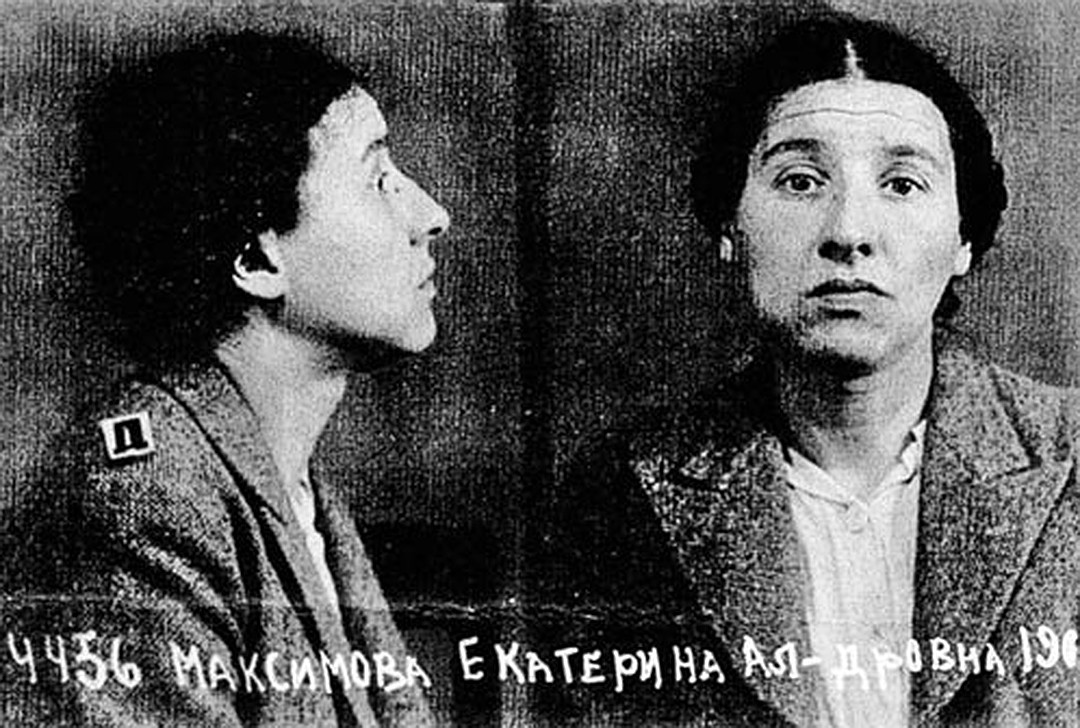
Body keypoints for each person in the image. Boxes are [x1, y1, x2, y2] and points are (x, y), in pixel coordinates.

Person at [531, 14, 1079, 727]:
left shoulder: (1069, 455)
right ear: (729, 226)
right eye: (799, 180)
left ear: (964, 240)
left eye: (902, 184)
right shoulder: (623, 490)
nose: (849, 233)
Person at [2, 33, 449, 726]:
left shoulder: (288, 482)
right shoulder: (149, 497)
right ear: (255, 260)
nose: (430, 216)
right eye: (377, 179)